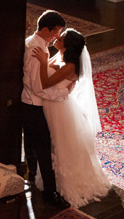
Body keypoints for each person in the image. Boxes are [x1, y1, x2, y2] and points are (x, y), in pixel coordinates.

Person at [32, 28, 111, 208]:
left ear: (67, 47)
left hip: (57, 109)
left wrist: (44, 62)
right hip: (51, 104)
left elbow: (45, 83)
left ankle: (62, 183)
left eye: (62, 38)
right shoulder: (60, 56)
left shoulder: (70, 66)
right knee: (51, 142)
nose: (57, 37)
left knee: (58, 143)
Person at [21, 10, 70, 208]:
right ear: (45, 29)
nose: (57, 36)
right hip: (33, 106)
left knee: (33, 145)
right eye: (56, 32)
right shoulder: (36, 49)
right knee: (44, 148)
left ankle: (31, 178)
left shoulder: (38, 44)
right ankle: (50, 193)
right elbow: (37, 87)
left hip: (30, 104)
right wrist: (61, 95)